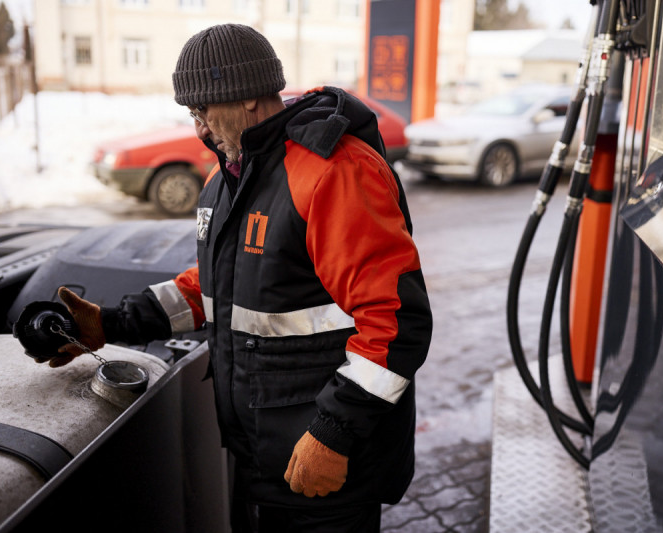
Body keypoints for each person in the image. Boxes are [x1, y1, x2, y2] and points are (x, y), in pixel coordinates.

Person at [48, 23, 433, 533]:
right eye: (192, 115)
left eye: (203, 112)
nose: (200, 131)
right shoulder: (225, 178)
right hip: (260, 455)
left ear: (249, 96)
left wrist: (334, 432)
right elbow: (216, 288)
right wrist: (112, 322)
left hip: (325, 467)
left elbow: (396, 321)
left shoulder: (333, 172)